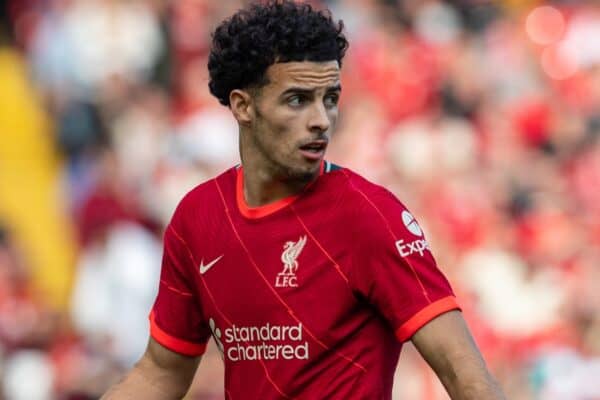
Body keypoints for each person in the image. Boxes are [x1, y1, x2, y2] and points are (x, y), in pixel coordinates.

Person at [102, 1, 506, 399]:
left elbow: (464, 374)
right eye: (298, 100)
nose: (321, 119)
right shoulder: (199, 217)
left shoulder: (368, 215)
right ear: (243, 106)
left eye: (329, 98)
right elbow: (160, 373)